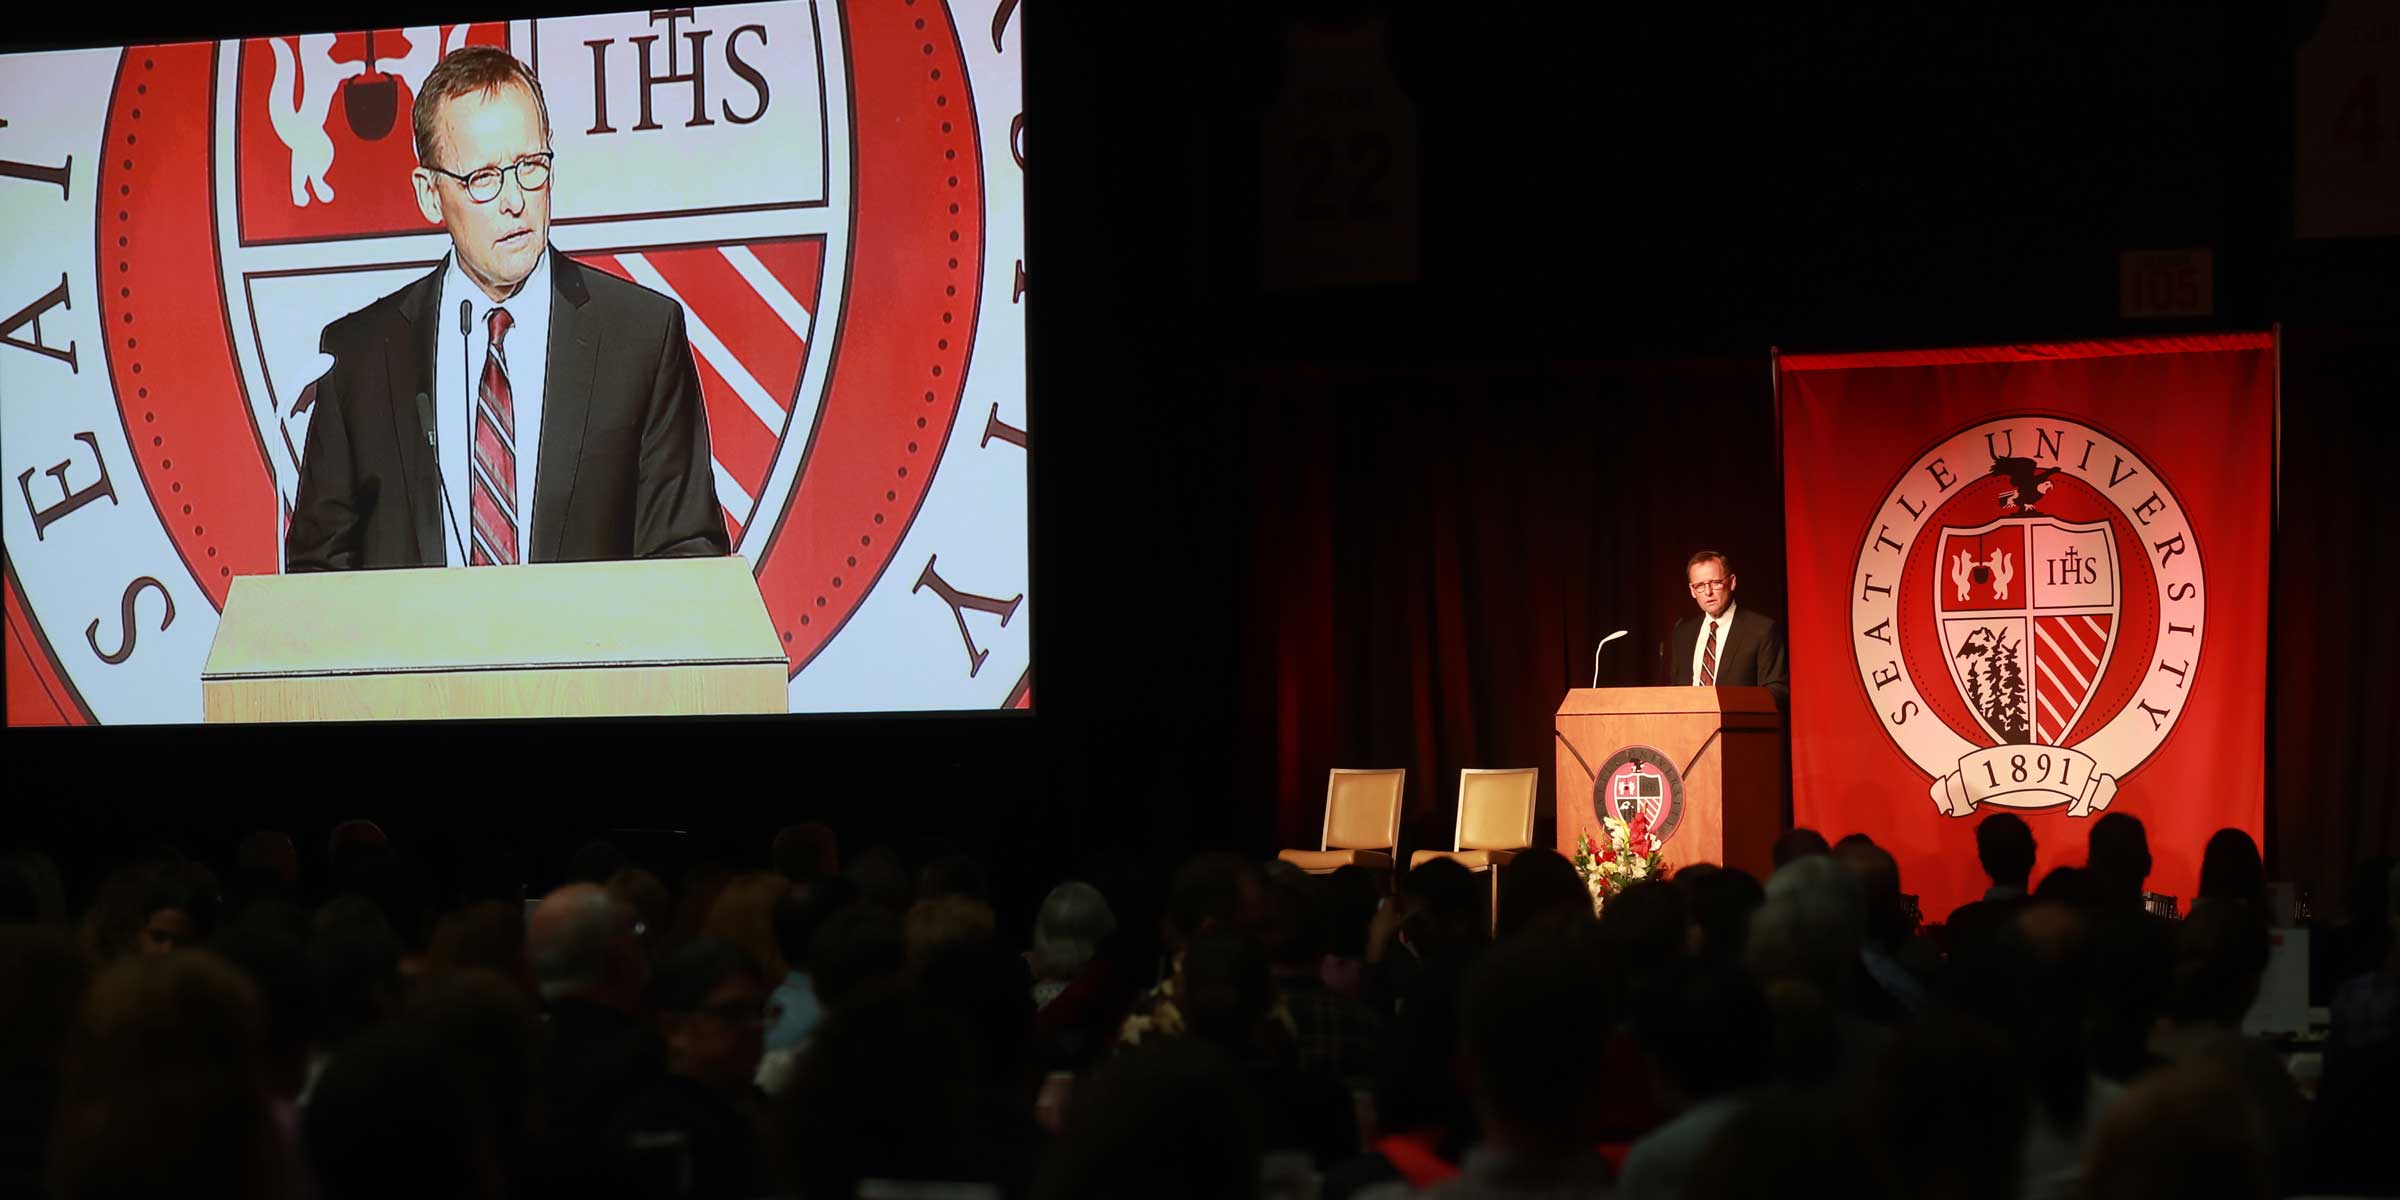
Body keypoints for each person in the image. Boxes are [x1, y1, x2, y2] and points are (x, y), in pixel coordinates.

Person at [285, 45, 726, 571]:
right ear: (429, 194)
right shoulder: (359, 358)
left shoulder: (640, 339)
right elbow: (318, 576)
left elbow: (688, 560)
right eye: (484, 178)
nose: (514, 200)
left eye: (529, 166)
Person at [1663, 550, 1788, 707]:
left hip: (1739, 726)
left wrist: (1730, 705)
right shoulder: (1683, 633)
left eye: (1715, 583)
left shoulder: (1761, 630)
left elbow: (1776, 692)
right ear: (1692, 591)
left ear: (1732, 582)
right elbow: (1676, 690)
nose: (1708, 592)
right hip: (1690, 728)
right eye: (1700, 586)